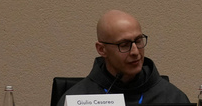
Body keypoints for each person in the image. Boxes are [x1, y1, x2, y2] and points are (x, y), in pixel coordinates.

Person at [57, 10, 190, 106]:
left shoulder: (173, 97)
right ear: (102, 49)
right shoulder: (76, 98)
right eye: (124, 45)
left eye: (138, 41)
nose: (135, 52)